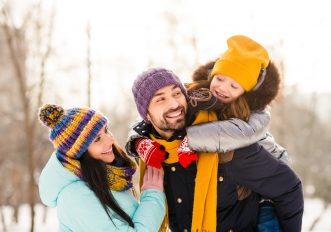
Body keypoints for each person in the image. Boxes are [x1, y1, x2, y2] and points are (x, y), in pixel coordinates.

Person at [126, 67, 303, 231]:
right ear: (146, 114)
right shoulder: (150, 155)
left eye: (177, 93)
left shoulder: (225, 146)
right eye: (160, 99)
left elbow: (288, 188)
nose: (174, 104)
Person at [186, 35, 290, 231]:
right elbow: (158, 116)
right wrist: (139, 139)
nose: (223, 88)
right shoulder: (199, 96)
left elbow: (242, 133)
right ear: (211, 75)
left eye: (234, 86)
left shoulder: (255, 114)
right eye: (220, 78)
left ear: (245, 92)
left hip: (267, 191)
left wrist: (187, 138)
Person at [38, 104, 165, 232]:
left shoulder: (108, 178)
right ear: (79, 153)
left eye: (106, 130)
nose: (110, 140)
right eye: (98, 139)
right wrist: (152, 197)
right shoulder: (75, 198)